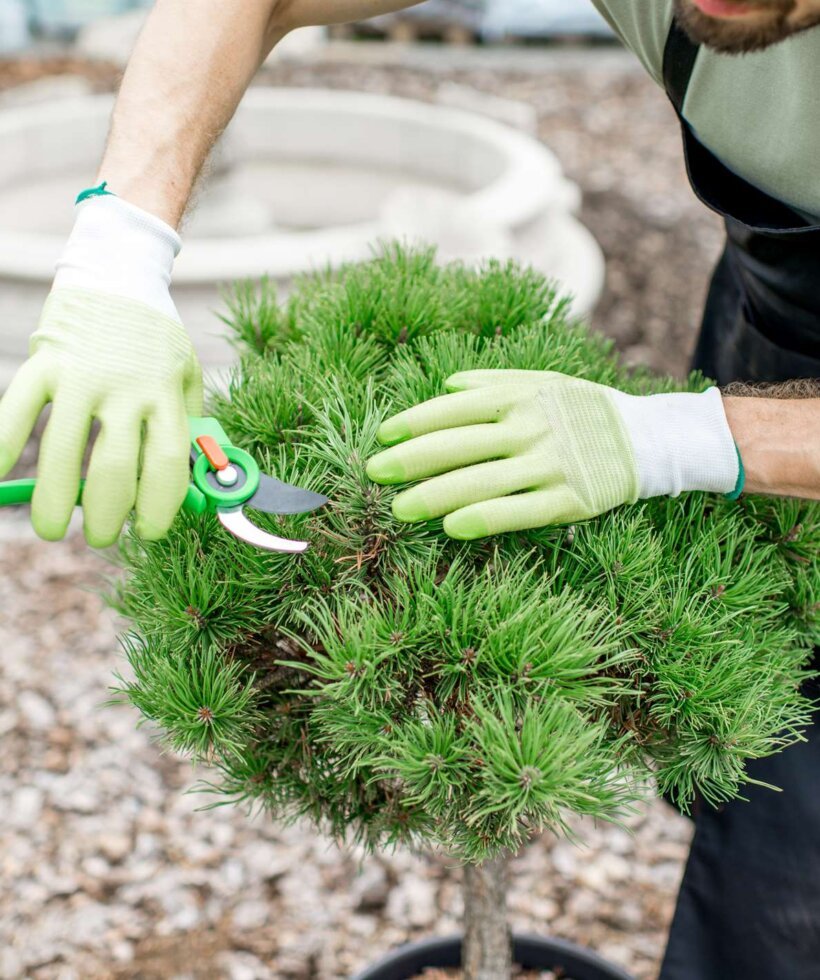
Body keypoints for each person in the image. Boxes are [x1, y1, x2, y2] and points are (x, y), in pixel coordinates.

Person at [0, 0, 818, 975]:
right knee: (752, 802)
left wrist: (692, 437)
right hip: (775, 345)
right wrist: (121, 249)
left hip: (741, 429)